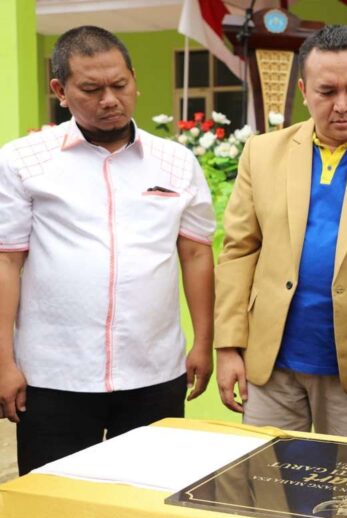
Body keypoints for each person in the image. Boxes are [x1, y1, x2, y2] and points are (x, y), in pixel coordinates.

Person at [0, 26, 215, 475]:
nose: (110, 99)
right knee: (55, 506)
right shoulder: (23, 161)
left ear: (134, 79)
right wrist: (4, 363)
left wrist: (204, 343)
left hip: (155, 372)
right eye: (91, 89)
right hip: (54, 377)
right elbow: (6, 262)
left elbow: (195, 255)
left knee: (149, 500)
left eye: (119, 85)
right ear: (60, 90)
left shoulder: (177, 162)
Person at [214, 25, 347, 439]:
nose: (342, 106)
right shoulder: (262, 154)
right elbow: (239, 253)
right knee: (265, 485)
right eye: (327, 92)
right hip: (271, 362)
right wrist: (228, 346)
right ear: (303, 89)